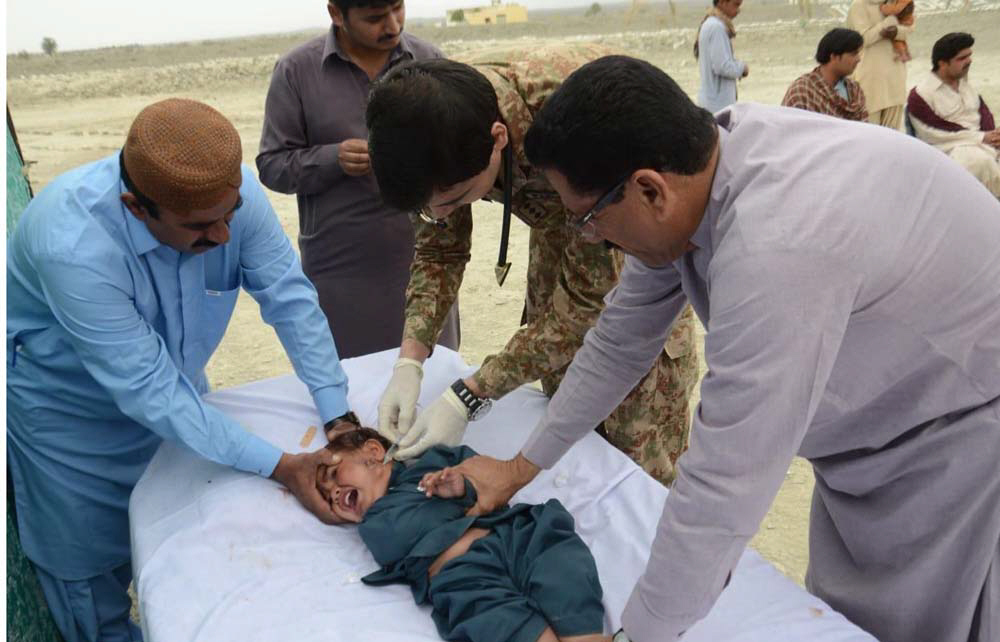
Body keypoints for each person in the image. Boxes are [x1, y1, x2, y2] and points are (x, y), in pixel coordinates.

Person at [452, 56, 1000, 642]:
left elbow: (726, 479)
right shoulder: (704, 173)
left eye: (588, 221)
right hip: (876, 438)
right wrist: (518, 468)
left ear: (647, 189)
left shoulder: (779, 243)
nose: (592, 237)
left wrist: (639, 635)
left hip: (955, 438)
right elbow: (617, 342)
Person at [6, 98, 361, 642]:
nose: (222, 237)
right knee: (90, 576)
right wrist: (281, 464)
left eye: (230, 214)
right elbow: (148, 389)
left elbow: (290, 299)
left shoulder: (233, 194)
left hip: (182, 400)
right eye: (200, 227)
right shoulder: (73, 244)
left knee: (188, 544)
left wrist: (337, 413)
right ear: (135, 207)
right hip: (72, 425)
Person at [365, 45, 700, 486]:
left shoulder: (571, 124)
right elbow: (439, 251)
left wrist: (471, 393)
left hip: (634, 251)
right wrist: (410, 359)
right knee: (564, 449)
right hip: (558, 250)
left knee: (636, 471)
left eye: (453, 200)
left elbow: (587, 303)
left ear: (499, 139)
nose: (441, 217)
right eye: (430, 209)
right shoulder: (430, 131)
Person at [257, 0, 459, 359]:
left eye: (398, 8)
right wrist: (331, 159)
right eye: (375, 18)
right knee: (352, 389)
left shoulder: (429, 61)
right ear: (337, 14)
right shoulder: (296, 71)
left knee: (432, 377)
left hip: (424, 256)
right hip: (341, 268)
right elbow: (272, 165)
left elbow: (461, 143)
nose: (393, 25)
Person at [318, 428, 610, 642]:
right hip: (463, 576)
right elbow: (398, 536)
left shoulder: (434, 461)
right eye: (327, 497)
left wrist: (463, 487)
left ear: (373, 452)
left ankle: (584, 636)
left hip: (516, 535)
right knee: (501, 625)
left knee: (563, 570)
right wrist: (454, 502)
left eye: (334, 475)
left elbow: (486, 477)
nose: (333, 493)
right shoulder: (375, 523)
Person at [908, 32, 999, 197]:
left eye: (969, 56)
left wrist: (993, 136)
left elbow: (983, 114)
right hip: (950, 149)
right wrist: (981, 137)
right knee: (980, 162)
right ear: (942, 63)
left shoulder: (964, 83)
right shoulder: (921, 94)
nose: (969, 61)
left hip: (981, 143)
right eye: (962, 58)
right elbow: (933, 133)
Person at [847, 0, 912, 129]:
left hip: (895, 78)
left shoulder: (897, 2)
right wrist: (889, 21)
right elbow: (863, 39)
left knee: (892, 137)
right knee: (870, 134)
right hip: (871, 79)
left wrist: (896, 31)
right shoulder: (859, 6)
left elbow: (908, 27)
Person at [781, 28, 868, 121]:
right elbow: (792, 129)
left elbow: (864, 129)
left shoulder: (854, 90)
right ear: (834, 56)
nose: (858, 59)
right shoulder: (803, 90)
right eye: (853, 54)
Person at [694, 0, 748, 113]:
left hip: (713, 102)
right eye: (736, 4)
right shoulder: (716, 27)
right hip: (718, 105)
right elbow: (722, 66)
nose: (738, 10)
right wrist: (742, 68)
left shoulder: (712, 24)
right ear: (722, 3)